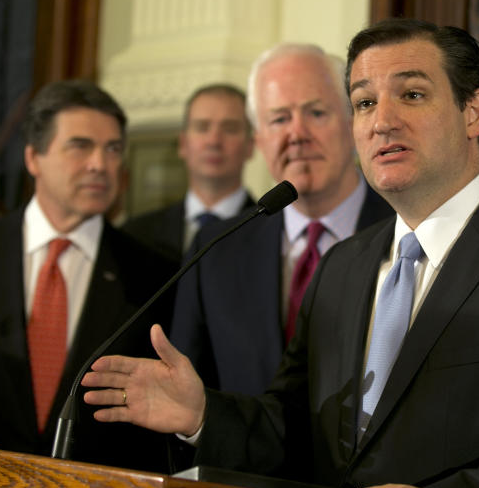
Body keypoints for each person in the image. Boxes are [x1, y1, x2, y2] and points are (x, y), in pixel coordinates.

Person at [82, 19, 479, 488]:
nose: (382, 120)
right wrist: (203, 416)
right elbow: (296, 429)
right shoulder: (344, 266)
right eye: (364, 102)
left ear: (473, 112)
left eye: (412, 94)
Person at [0, 80, 176, 474]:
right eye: (80, 145)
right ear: (33, 158)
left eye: (113, 149)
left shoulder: (155, 272)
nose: (100, 163)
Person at [167, 44, 392, 395]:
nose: (297, 134)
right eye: (279, 119)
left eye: (316, 113)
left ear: (353, 122)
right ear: (258, 139)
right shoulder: (215, 251)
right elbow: (189, 397)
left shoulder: (409, 230)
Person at [122, 84, 256, 262]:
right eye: (202, 127)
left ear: (250, 146)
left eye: (229, 129)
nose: (214, 141)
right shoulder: (134, 235)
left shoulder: (278, 232)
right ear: (183, 144)